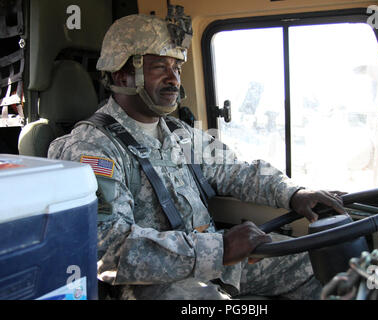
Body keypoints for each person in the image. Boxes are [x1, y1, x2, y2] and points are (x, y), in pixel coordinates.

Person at [48, 13, 346, 300]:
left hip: (214, 262)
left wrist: (294, 193)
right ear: (122, 73)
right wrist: (219, 249)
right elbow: (110, 249)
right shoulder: (92, 147)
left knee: (319, 262)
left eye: (176, 67)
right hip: (150, 283)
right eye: (159, 67)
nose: (173, 79)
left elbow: (237, 170)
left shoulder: (180, 133)